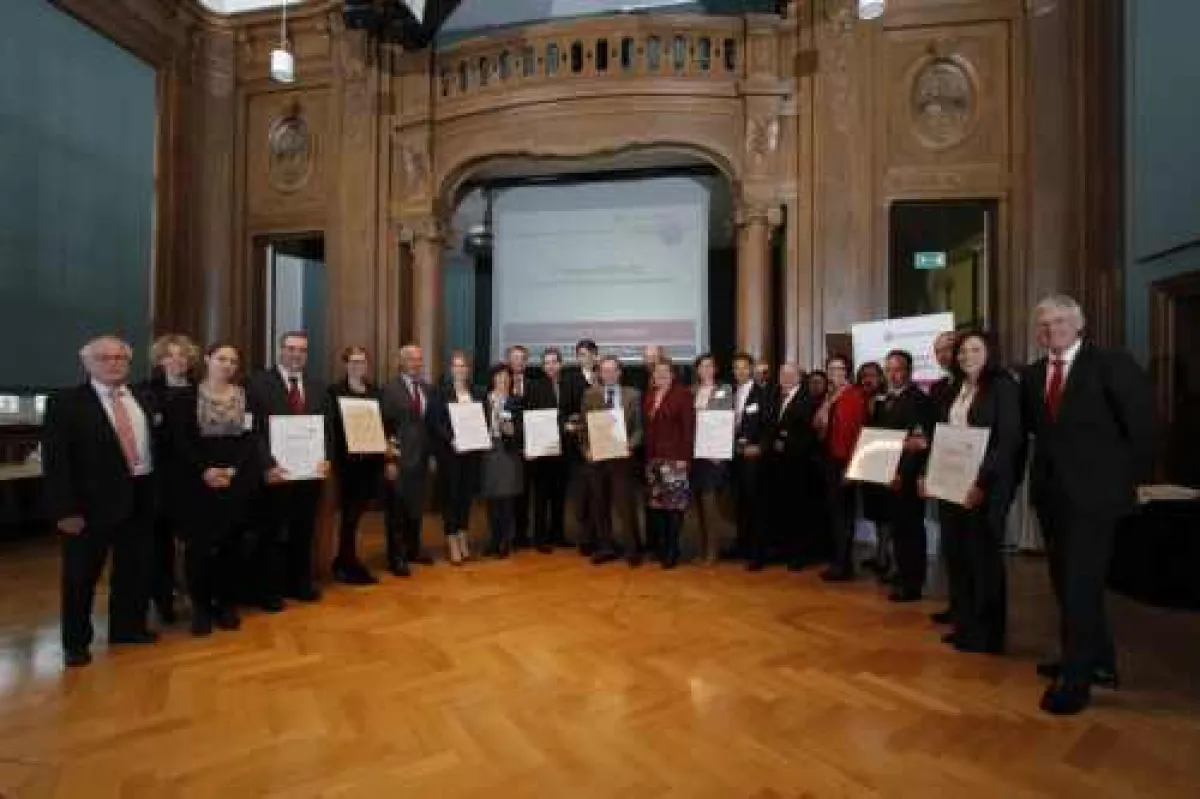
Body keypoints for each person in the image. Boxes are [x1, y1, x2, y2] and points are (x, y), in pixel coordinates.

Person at [1021, 294, 1154, 715]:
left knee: (1080, 584)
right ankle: (1099, 661)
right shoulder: (1033, 373)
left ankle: (1075, 682)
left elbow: (1143, 427)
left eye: (1060, 321)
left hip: (1096, 498)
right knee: (1067, 583)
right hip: (1051, 496)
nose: (1051, 329)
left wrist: (1133, 484)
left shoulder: (1111, 363)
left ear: (1079, 324)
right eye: (1044, 324)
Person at [42, 336, 159, 667]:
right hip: (88, 507)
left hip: (141, 497)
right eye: (104, 357)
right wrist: (64, 510)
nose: (113, 363)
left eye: (120, 357)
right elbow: (56, 462)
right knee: (81, 578)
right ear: (87, 362)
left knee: (134, 570)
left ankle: (128, 629)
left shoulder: (143, 397)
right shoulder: (65, 403)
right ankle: (76, 644)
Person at [920, 331, 1024, 654]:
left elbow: (1008, 441)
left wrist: (980, 483)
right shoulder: (956, 387)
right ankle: (965, 627)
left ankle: (988, 635)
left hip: (983, 488)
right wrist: (929, 475)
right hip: (951, 485)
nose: (966, 356)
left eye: (974, 349)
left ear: (989, 352)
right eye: (963, 351)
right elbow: (942, 437)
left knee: (983, 561)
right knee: (958, 557)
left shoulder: (1003, 386)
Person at [166, 343, 269, 636]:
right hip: (198, 482)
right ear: (208, 359)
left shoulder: (248, 398)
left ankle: (226, 603)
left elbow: (251, 437)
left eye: (233, 361)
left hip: (237, 481)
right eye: (221, 358)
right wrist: (205, 470)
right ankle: (200, 606)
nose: (227, 365)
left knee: (232, 545)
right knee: (199, 548)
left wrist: (233, 469)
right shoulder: (185, 398)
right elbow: (180, 441)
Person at [245, 331, 330, 610]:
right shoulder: (256, 383)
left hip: (309, 475)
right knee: (271, 533)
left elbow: (326, 430)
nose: (297, 354)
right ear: (280, 350)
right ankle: (269, 590)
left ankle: (300, 583)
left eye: (302, 350)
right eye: (291, 349)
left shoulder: (318, 387)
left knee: (303, 531)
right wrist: (266, 465)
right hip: (275, 474)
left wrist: (325, 458)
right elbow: (252, 431)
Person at [870, 350, 935, 602]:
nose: (893, 374)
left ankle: (912, 583)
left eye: (898, 369)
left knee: (910, 530)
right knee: (898, 528)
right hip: (889, 474)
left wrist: (902, 473)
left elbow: (918, 442)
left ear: (909, 371)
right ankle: (901, 573)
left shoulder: (918, 399)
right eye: (889, 369)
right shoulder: (887, 399)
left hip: (906, 477)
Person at [142, 333, 198, 625]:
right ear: (160, 360)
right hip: (160, 481)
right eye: (170, 355)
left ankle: (197, 598)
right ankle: (163, 601)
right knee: (159, 546)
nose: (177, 360)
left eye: (182, 355)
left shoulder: (201, 391)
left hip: (195, 480)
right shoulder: (145, 393)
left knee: (195, 543)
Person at [326, 346, 384, 584]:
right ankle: (346, 562)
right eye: (353, 361)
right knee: (349, 514)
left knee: (357, 513)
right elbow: (332, 428)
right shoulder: (335, 391)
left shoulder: (374, 391)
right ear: (346, 364)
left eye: (362, 362)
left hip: (370, 462)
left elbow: (381, 423)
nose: (358, 366)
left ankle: (345, 559)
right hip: (348, 463)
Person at [578, 356, 644, 565]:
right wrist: (585, 449)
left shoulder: (633, 395)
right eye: (604, 371)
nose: (608, 374)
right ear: (599, 373)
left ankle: (632, 549)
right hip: (596, 459)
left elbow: (640, 428)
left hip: (622, 459)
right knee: (599, 505)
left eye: (612, 370)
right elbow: (583, 427)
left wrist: (630, 445)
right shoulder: (589, 395)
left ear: (619, 372)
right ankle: (605, 547)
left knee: (625, 507)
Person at [380, 343, 434, 576]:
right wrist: (389, 460)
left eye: (419, 359)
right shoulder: (389, 389)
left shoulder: (427, 389)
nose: (416, 363)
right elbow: (384, 427)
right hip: (400, 460)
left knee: (416, 507)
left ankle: (413, 549)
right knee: (397, 511)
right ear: (401, 362)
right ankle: (396, 557)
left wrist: (431, 455)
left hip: (421, 459)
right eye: (411, 359)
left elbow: (430, 425)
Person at [817, 355, 869, 582]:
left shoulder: (854, 395)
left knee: (844, 514)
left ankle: (843, 565)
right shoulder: (830, 395)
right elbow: (818, 424)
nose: (834, 372)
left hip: (844, 460)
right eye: (831, 368)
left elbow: (858, 433)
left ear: (847, 371)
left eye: (839, 368)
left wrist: (852, 467)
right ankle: (837, 560)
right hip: (829, 458)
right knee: (835, 512)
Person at [642, 357, 695, 569]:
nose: (660, 375)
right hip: (653, 460)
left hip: (675, 460)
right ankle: (663, 547)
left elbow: (688, 429)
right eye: (657, 372)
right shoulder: (649, 395)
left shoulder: (682, 394)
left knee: (674, 507)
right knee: (658, 507)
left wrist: (685, 458)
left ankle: (673, 549)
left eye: (665, 371)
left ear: (673, 374)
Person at [430, 350, 482, 565]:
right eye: (456, 366)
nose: (460, 370)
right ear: (451, 370)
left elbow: (482, 420)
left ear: (468, 370)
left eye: (463, 366)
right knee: (450, 497)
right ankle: (451, 538)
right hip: (451, 454)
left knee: (465, 497)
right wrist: (452, 439)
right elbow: (435, 422)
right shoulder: (441, 393)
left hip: (471, 455)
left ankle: (462, 535)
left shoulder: (476, 393)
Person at [767, 362, 819, 570]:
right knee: (782, 508)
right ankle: (784, 550)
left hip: (799, 465)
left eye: (790, 374)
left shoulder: (808, 399)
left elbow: (807, 433)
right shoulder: (775, 396)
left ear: (799, 377)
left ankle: (800, 555)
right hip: (777, 464)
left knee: (799, 511)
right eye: (782, 373)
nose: (785, 378)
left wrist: (785, 441)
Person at [926, 330, 960, 624]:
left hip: (970, 476)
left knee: (970, 550)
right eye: (938, 351)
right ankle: (957, 605)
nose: (944, 355)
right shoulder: (937, 388)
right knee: (951, 546)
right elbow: (931, 431)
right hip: (944, 475)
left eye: (948, 348)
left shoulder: (981, 384)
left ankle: (974, 612)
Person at [690, 353, 734, 565]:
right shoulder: (691, 391)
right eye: (702, 366)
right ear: (697, 370)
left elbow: (727, 421)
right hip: (695, 456)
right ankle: (703, 549)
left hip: (714, 456)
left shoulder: (724, 390)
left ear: (715, 369)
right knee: (699, 505)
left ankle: (713, 552)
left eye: (709, 366)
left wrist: (719, 451)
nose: (705, 369)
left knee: (711, 506)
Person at [728, 352, 770, 568]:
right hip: (734, 456)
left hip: (753, 458)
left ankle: (757, 553)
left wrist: (761, 447)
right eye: (736, 368)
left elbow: (769, 425)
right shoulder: (729, 392)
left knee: (755, 505)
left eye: (744, 367)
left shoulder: (763, 393)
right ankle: (742, 546)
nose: (740, 371)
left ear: (752, 369)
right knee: (740, 503)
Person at [528, 347, 570, 552]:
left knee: (559, 496)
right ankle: (540, 538)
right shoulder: (534, 387)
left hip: (563, 451)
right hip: (542, 451)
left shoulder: (568, 385)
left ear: (560, 364)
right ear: (543, 366)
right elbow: (530, 417)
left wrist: (571, 423)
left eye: (554, 361)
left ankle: (558, 534)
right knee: (541, 497)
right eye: (547, 362)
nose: (551, 366)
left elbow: (571, 412)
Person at [481, 364, 525, 557]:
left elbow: (523, 430)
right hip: (488, 451)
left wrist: (514, 433)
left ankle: (505, 541)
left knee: (506, 498)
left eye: (507, 377)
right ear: (493, 379)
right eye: (499, 376)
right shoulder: (483, 400)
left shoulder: (517, 401)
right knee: (491, 497)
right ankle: (493, 539)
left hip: (508, 452)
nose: (503, 380)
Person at [564, 339, 601, 554]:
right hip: (580, 446)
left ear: (595, 355)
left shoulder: (604, 377)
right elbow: (566, 410)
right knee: (582, 495)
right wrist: (573, 422)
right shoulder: (570, 379)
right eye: (579, 354)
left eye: (586, 354)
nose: (583, 358)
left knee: (601, 494)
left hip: (604, 446)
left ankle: (602, 536)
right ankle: (585, 539)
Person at [506, 345, 536, 549]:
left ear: (526, 362)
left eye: (521, 359)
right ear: (509, 361)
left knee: (525, 492)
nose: (518, 362)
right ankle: (505, 534)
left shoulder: (535, 385)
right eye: (514, 358)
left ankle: (522, 534)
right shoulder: (500, 384)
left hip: (529, 447)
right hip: (507, 448)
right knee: (507, 491)